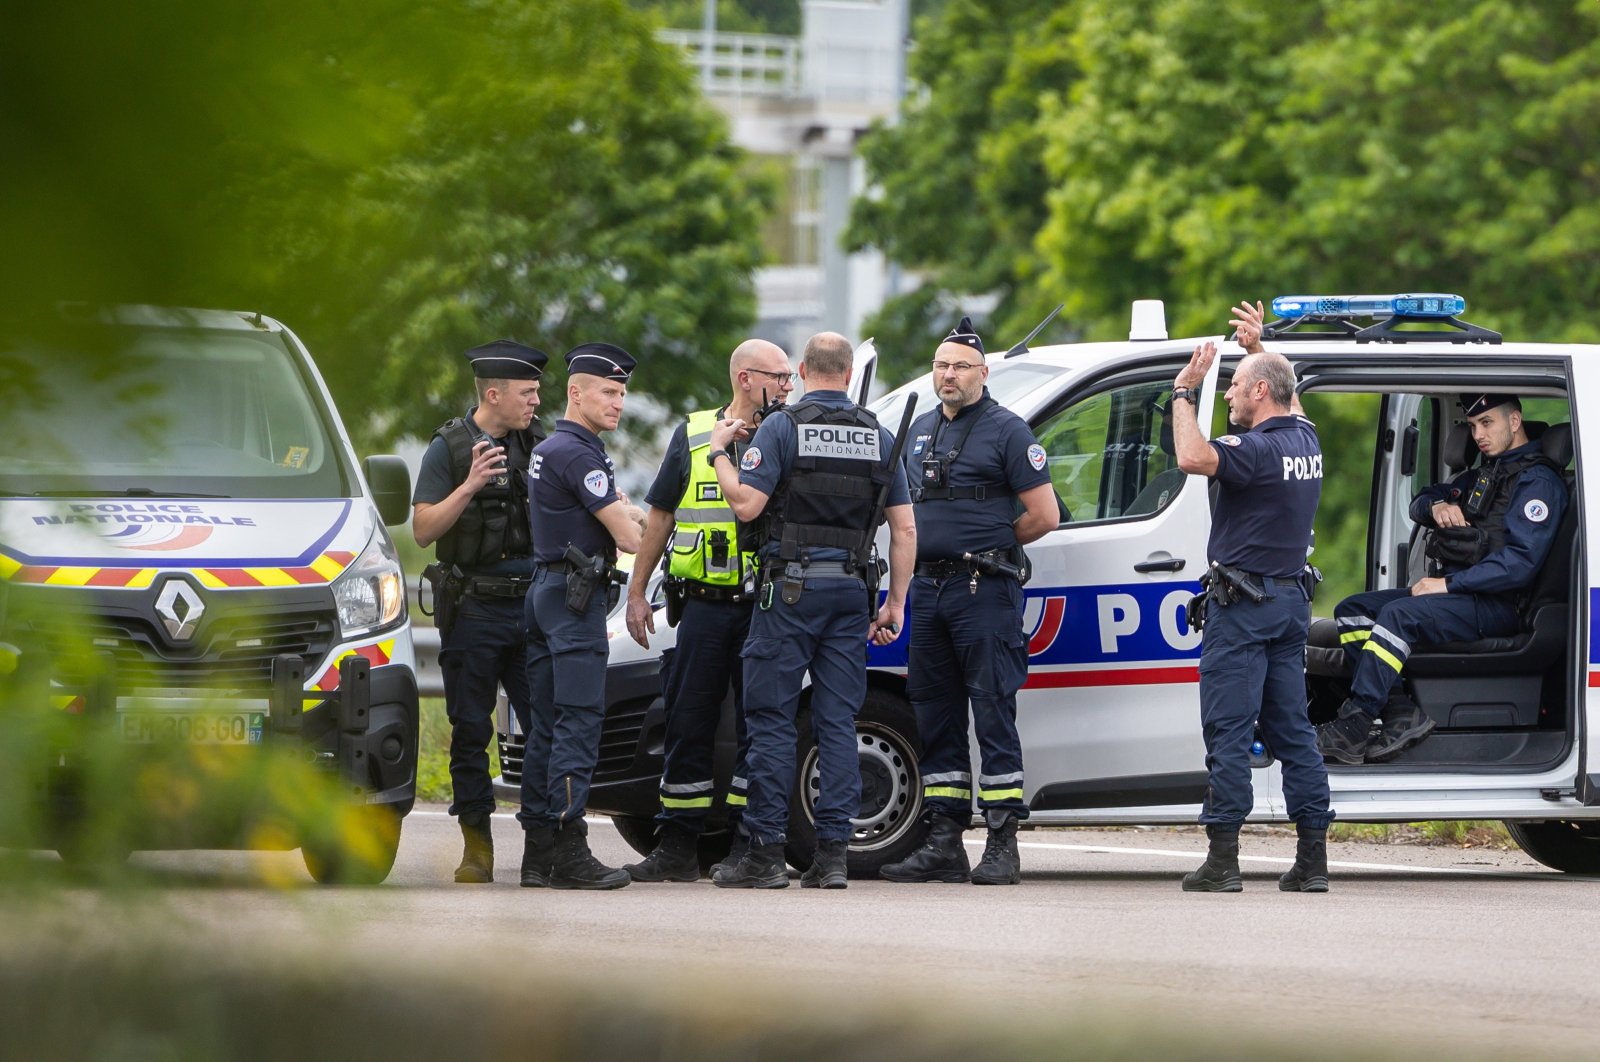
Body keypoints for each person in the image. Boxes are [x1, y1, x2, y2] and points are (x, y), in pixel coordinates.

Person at [704, 331, 915, 890]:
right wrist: (894, 601)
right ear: (847, 373)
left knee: (772, 722)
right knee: (838, 722)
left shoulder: (782, 427)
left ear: (802, 370)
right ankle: (833, 857)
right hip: (851, 594)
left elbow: (746, 504)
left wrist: (719, 454)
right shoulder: (878, 435)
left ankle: (767, 853)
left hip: (789, 593)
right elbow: (906, 528)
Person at [877, 317, 1057, 886]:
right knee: (936, 716)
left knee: (993, 713)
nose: (948, 375)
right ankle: (944, 841)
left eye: (959, 366)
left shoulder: (1009, 432)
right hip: (928, 590)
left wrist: (991, 546)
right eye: (940, 365)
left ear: (983, 373)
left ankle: (1002, 842)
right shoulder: (922, 428)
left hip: (985, 591)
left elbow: (1044, 515)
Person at [621, 339, 795, 882]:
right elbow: (660, 516)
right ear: (746, 378)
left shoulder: (790, 433)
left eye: (792, 377)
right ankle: (677, 847)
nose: (790, 386)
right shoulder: (695, 433)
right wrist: (636, 591)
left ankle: (748, 845)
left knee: (759, 727)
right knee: (687, 720)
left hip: (766, 606)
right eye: (780, 377)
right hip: (702, 607)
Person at [1319, 393, 1568, 765]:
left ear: (1514, 421)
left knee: (1399, 615)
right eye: (1472, 426)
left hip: (1500, 606)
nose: (1478, 435)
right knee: (1353, 610)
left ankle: (1355, 724)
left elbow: (1519, 565)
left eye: (1487, 423)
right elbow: (1420, 500)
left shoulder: (1537, 483)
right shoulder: (1485, 473)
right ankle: (1400, 712)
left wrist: (1448, 585)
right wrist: (1438, 506)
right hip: (1465, 598)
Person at [1170, 334, 1332, 893]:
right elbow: (1292, 400)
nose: (1232, 396)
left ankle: (1223, 860)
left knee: (1229, 732)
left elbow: (1191, 456)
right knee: (1293, 732)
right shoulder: (1305, 441)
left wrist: (1183, 392)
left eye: (1238, 386)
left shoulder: (1255, 450)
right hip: (1289, 605)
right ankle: (1313, 860)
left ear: (1261, 391)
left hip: (1241, 610)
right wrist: (1260, 348)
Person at [412, 339, 546, 884]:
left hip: (534, 607)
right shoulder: (448, 447)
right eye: (527, 393)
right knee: (470, 730)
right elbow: (423, 530)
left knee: (546, 727)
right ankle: (477, 849)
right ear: (494, 394)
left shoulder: (541, 443)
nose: (536, 402)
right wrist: (469, 484)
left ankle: (542, 848)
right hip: (474, 610)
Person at [518, 342, 644, 891]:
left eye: (622, 394)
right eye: (609, 392)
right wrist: (637, 520)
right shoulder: (579, 453)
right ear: (577, 393)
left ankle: (536, 855)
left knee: (545, 726)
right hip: (574, 602)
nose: (618, 403)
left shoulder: (554, 447)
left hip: (548, 591)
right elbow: (630, 537)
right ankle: (570, 851)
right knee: (578, 721)